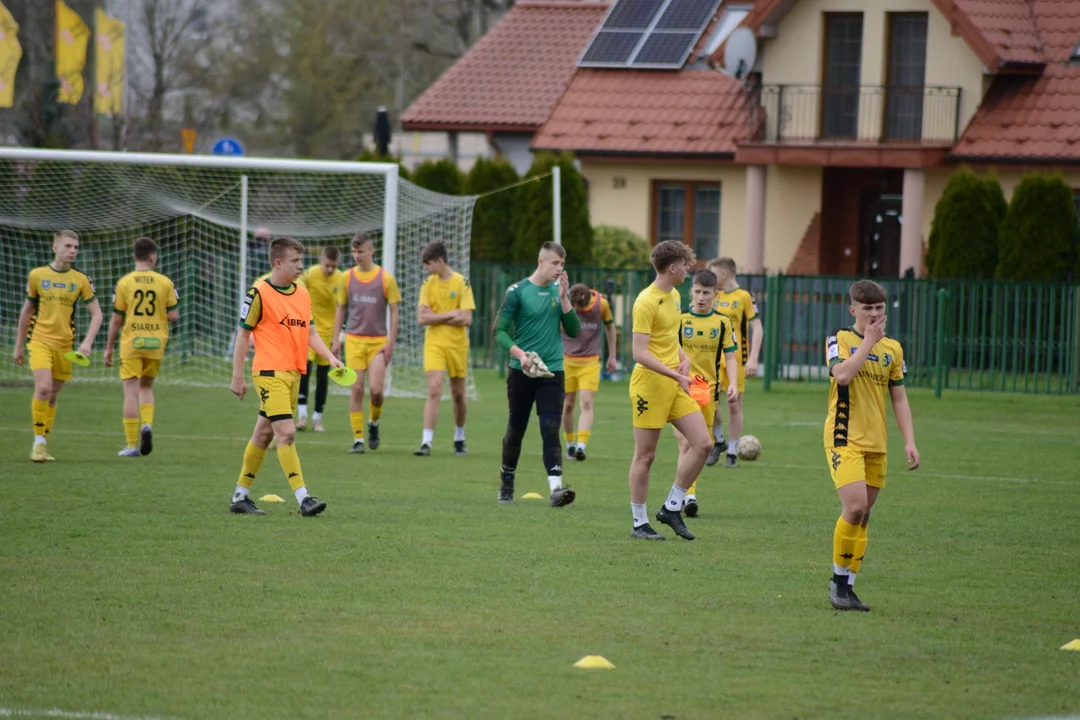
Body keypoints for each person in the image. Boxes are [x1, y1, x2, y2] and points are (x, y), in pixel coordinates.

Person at [228, 236, 343, 517]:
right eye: (295, 261)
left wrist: (330, 357)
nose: (301, 266)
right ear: (277, 263)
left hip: (293, 374)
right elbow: (243, 334)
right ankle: (304, 498)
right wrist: (237, 376)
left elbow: (311, 333)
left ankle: (240, 496)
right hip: (268, 373)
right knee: (287, 433)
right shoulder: (258, 293)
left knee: (264, 433)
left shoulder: (302, 294)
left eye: (301, 261)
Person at [824, 279, 919, 611]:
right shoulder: (840, 339)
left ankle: (849, 588)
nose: (876, 315)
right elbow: (842, 376)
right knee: (854, 508)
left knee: (864, 517)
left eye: (880, 309)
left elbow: (900, 398)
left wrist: (909, 441)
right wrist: (867, 343)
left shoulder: (893, 349)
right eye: (868, 309)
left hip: (877, 443)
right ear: (854, 311)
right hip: (844, 437)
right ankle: (837, 584)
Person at [626, 240, 711, 541]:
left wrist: (683, 358)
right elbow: (639, 352)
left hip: (673, 383)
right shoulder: (644, 302)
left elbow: (665, 338)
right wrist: (674, 373)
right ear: (672, 268)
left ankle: (671, 508)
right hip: (649, 386)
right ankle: (639, 523)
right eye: (686, 265)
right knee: (645, 456)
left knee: (703, 444)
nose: (689, 270)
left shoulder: (674, 296)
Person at [494, 242, 579, 507]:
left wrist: (565, 299)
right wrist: (520, 355)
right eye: (555, 263)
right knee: (516, 428)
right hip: (522, 372)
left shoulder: (559, 292)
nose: (559, 269)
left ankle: (556, 489)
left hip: (552, 371)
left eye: (562, 264)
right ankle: (506, 480)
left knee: (551, 426)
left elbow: (574, 331)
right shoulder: (517, 292)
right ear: (540, 261)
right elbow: (500, 332)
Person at [12, 229, 103, 463]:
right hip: (40, 341)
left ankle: (43, 443)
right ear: (55, 248)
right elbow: (27, 312)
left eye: (76, 247)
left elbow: (97, 315)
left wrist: (87, 342)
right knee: (43, 388)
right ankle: (38, 443)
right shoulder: (37, 275)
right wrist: (18, 346)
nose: (73, 251)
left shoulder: (81, 280)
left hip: (66, 347)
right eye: (68, 246)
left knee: (52, 395)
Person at [103, 237, 180, 457]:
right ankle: (147, 425)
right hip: (156, 343)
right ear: (153, 257)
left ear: (134, 256)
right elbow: (174, 315)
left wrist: (109, 348)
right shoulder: (165, 282)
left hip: (132, 343)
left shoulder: (124, 282)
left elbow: (117, 319)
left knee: (130, 392)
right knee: (146, 388)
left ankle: (130, 445)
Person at [674, 269, 739, 517]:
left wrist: (732, 382)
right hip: (681, 388)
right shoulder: (679, 320)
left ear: (716, 294)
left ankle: (682, 494)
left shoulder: (722, 323)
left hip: (707, 391)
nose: (701, 297)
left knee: (700, 446)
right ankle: (687, 495)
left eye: (706, 293)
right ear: (691, 291)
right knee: (684, 442)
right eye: (697, 292)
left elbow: (730, 355)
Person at [332, 233, 401, 453]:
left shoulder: (385, 278)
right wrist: (335, 340)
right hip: (353, 340)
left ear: (372, 251)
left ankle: (374, 423)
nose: (357, 255)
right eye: (354, 251)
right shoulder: (346, 277)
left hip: (378, 342)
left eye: (361, 251)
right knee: (357, 388)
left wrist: (391, 342)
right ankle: (358, 439)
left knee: (376, 390)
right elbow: (341, 308)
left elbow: (394, 310)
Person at [415, 241, 475, 456]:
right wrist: (451, 314)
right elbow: (422, 318)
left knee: (458, 394)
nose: (426, 268)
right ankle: (426, 442)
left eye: (428, 263)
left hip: (458, 346)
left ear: (440, 261)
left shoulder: (462, 283)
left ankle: (459, 436)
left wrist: (435, 317)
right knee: (434, 388)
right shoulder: (427, 284)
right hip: (434, 344)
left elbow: (467, 318)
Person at [706, 257, 763, 468]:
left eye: (714, 274)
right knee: (709, 402)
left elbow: (757, 327)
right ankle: (719, 440)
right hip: (712, 357)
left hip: (736, 359)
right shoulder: (713, 295)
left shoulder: (744, 297)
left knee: (734, 405)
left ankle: (732, 451)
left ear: (722, 275)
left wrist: (753, 358)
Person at [560, 283, 616, 461]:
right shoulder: (564, 302)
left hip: (590, 362)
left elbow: (610, 327)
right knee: (567, 405)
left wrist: (612, 355)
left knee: (586, 403)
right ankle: (569, 444)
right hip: (566, 361)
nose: (577, 312)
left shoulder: (602, 304)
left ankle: (581, 446)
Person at [296, 245, 345, 432]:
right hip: (309, 332)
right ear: (321, 262)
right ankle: (301, 416)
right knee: (305, 372)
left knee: (323, 377)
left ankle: (317, 418)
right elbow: (296, 285)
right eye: (327, 265)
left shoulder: (341, 279)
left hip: (329, 335)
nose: (330, 269)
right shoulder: (310, 275)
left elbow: (344, 305)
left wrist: (337, 338)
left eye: (333, 266)